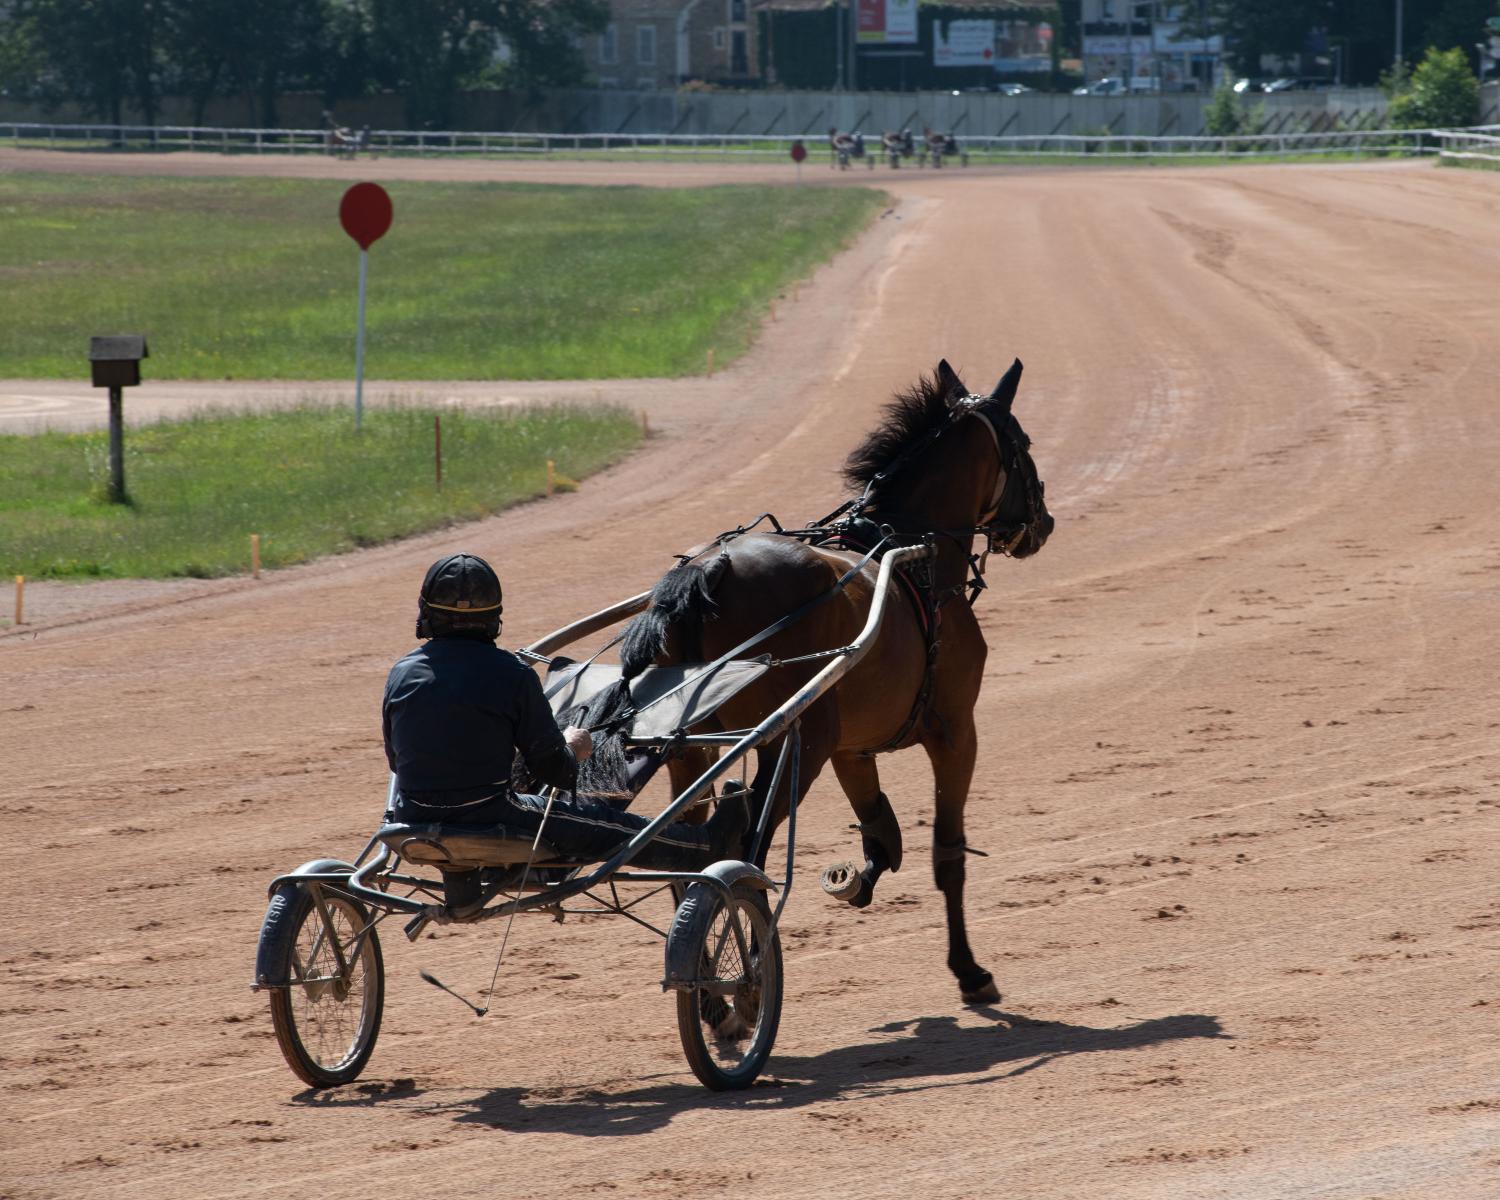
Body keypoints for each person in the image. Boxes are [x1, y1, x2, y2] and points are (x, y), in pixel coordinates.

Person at [382, 553, 748, 881]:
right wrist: (575, 749)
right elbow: (554, 771)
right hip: (495, 818)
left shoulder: (401, 671)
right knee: (608, 825)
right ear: (493, 616)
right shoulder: (513, 674)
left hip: (411, 819)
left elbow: (397, 760)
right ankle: (706, 844)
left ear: (427, 612)